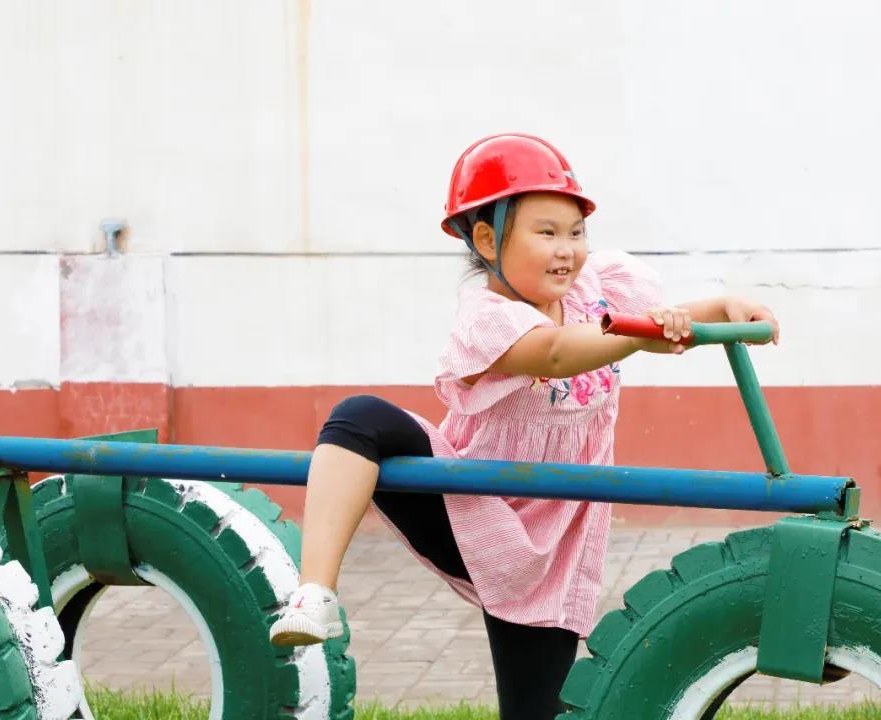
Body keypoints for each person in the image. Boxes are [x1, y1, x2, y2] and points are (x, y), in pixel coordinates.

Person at [269, 133, 780, 719]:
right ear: (486, 239)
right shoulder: (486, 319)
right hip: (469, 507)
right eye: (546, 233)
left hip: (555, 542)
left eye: (575, 231)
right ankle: (316, 592)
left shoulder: (597, 292)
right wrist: (642, 332)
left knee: (537, 711)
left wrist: (723, 309)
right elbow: (558, 353)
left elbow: (659, 335)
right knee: (360, 417)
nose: (567, 249)